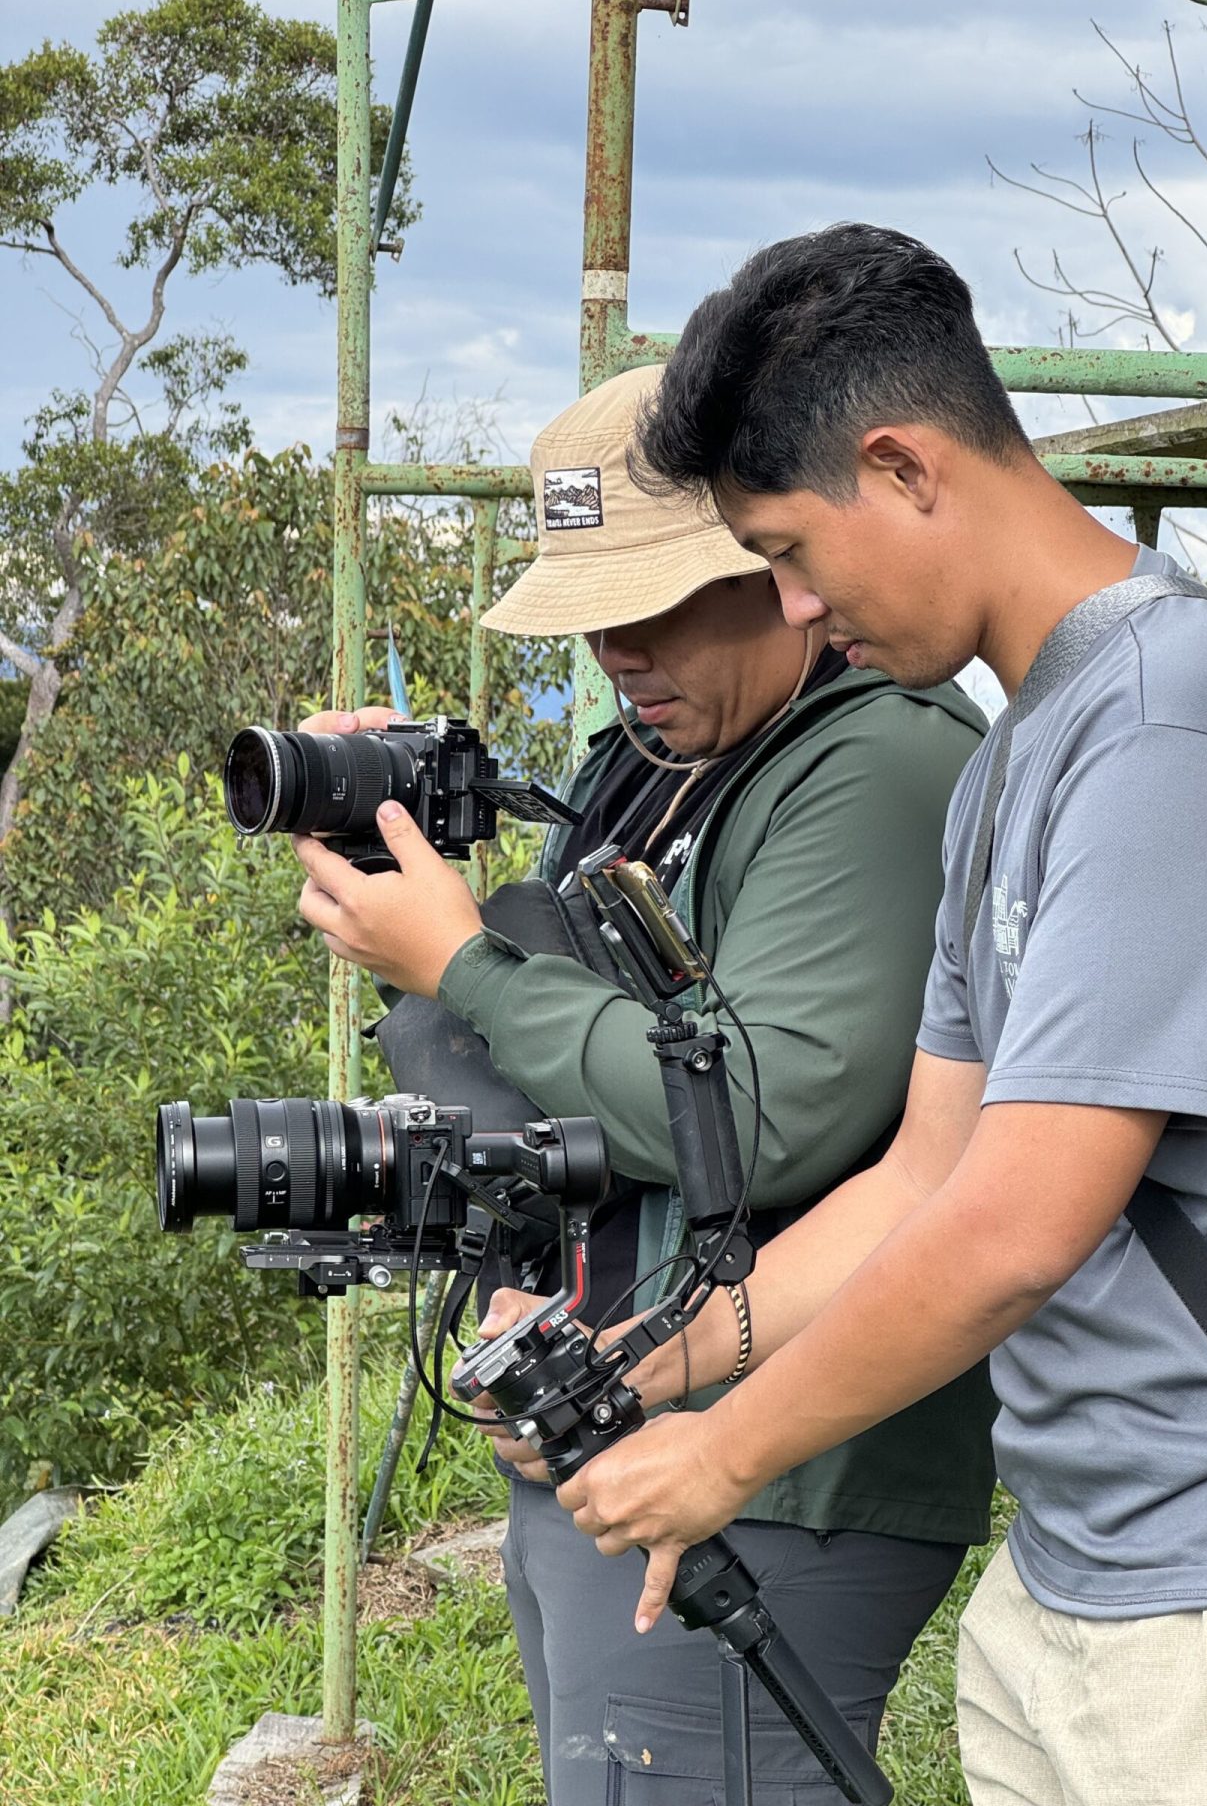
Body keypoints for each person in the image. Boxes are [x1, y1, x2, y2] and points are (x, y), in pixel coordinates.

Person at [543, 225, 1207, 1805]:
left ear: (902, 466)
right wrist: (645, 1372)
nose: (800, 613)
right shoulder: (1019, 755)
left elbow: (1020, 1223)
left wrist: (724, 1457)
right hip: (1073, 1593)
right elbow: (922, 1179)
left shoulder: (1182, 721)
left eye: (792, 555)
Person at [291, 362, 996, 1803]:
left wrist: (465, 964)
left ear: (779, 563)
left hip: (772, 1474)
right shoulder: (654, 762)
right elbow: (556, 1083)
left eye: (655, 603)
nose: (619, 651)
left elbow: (761, 1113)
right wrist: (405, 896)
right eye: (593, 616)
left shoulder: (875, 764)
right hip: (614, 1423)